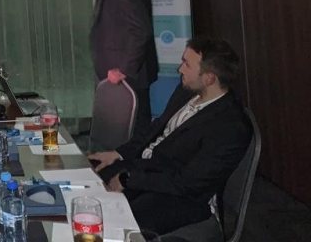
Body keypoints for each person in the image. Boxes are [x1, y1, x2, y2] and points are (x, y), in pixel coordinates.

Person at [88, 36, 253, 236]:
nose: (180, 69)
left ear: (209, 78)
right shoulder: (187, 91)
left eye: (187, 65)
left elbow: (189, 183)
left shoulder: (230, 126)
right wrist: (118, 154)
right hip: (150, 171)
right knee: (89, 184)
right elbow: (156, 128)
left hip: (181, 196)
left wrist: (128, 179)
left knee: (119, 220)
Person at [88, 0, 158, 138]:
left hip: (126, 77)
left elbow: (140, 29)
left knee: (131, 136)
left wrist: (124, 69)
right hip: (115, 77)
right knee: (116, 136)